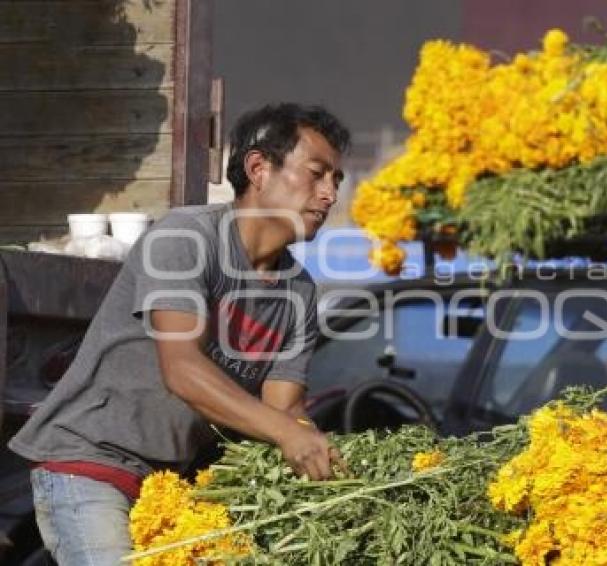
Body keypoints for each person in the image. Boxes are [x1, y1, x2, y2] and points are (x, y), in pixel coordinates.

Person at [8, 103, 351, 565]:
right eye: (317, 174)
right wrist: (290, 435)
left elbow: (284, 407)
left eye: (337, 181)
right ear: (258, 168)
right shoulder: (186, 238)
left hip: (171, 481)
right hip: (88, 461)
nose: (329, 194)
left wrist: (334, 466)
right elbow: (183, 370)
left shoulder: (300, 290)